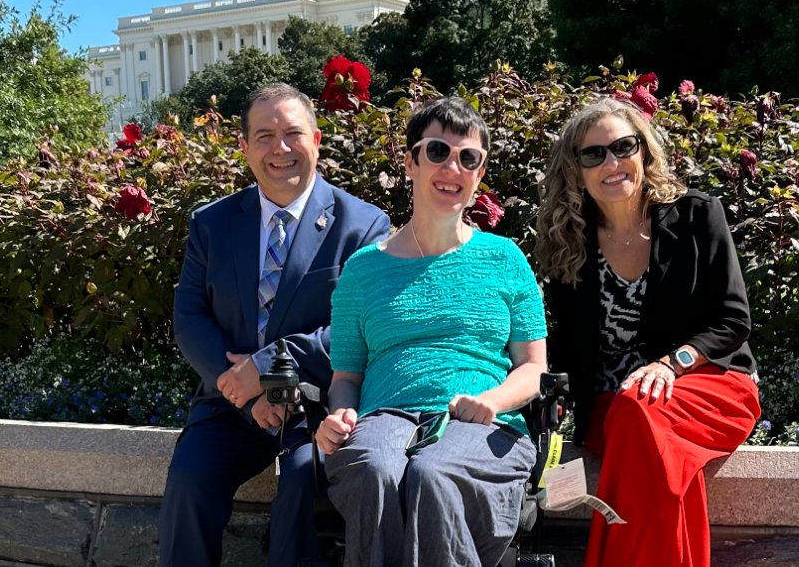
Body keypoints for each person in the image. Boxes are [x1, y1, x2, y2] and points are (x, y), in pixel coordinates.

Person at [162, 83, 391, 567]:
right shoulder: (211, 223)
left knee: (302, 488)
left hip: (316, 410)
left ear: (317, 140)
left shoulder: (364, 225)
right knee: (189, 480)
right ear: (244, 147)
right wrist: (246, 390)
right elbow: (189, 317)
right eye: (264, 135)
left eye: (293, 133)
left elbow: (358, 327)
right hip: (229, 405)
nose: (280, 148)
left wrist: (267, 369)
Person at [316, 97, 548, 567]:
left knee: (434, 473)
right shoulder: (363, 270)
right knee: (376, 469)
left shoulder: (505, 259)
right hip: (385, 415)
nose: (453, 168)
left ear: (480, 173)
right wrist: (339, 416)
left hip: (483, 423)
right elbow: (346, 376)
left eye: (469, 158)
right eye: (438, 151)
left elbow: (533, 368)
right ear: (411, 162)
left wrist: (494, 401)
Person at [535, 97, 760, 567]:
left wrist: (670, 363)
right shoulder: (569, 243)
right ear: (575, 171)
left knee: (641, 415)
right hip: (614, 409)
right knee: (641, 425)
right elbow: (571, 350)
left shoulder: (697, 216)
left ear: (644, 152)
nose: (612, 163)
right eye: (593, 154)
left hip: (707, 384)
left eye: (623, 147)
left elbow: (734, 319)